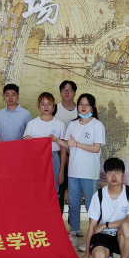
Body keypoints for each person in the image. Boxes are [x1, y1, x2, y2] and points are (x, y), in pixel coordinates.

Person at [53, 93, 105, 248]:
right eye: (81, 104)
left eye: (87, 105)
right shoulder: (73, 124)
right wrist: (57, 140)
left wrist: (77, 144)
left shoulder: (97, 125)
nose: (83, 107)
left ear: (92, 107)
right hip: (73, 171)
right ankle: (74, 232)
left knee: (90, 206)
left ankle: (93, 237)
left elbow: (96, 148)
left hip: (89, 172)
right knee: (73, 204)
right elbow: (68, 144)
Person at [81, 157, 129, 258]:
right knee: (99, 257)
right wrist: (86, 253)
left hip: (121, 234)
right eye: (110, 172)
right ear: (105, 175)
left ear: (123, 175)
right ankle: (108, 255)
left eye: (117, 172)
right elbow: (92, 226)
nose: (114, 176)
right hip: (103, 235)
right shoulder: (98, 195)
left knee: (128, 227)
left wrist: (105, 225)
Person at [23, 92, 66, 205]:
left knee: (53, 191)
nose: (46, 107)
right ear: (38, 106)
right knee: (37, 189)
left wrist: (61, 171)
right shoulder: (32, 124)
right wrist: (26, 141)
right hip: (36, 160)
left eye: (49, 104)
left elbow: (63, 150)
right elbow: (26, 149)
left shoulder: (60, 124)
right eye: (43, 104)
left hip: (53, 158)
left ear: (53, 106)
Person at [53, 81, 78, 223]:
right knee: (59, 192)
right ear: (60, 93)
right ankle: (59, 224)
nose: (66, 92)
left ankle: (74, 225)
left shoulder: (81, 110)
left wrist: (72, 156)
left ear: (74, 92)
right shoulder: (54, 109)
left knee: (74, 193)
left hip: (78, 158)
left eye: (69, 90)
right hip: (59, 158)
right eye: (63, 90)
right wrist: (64, 157)